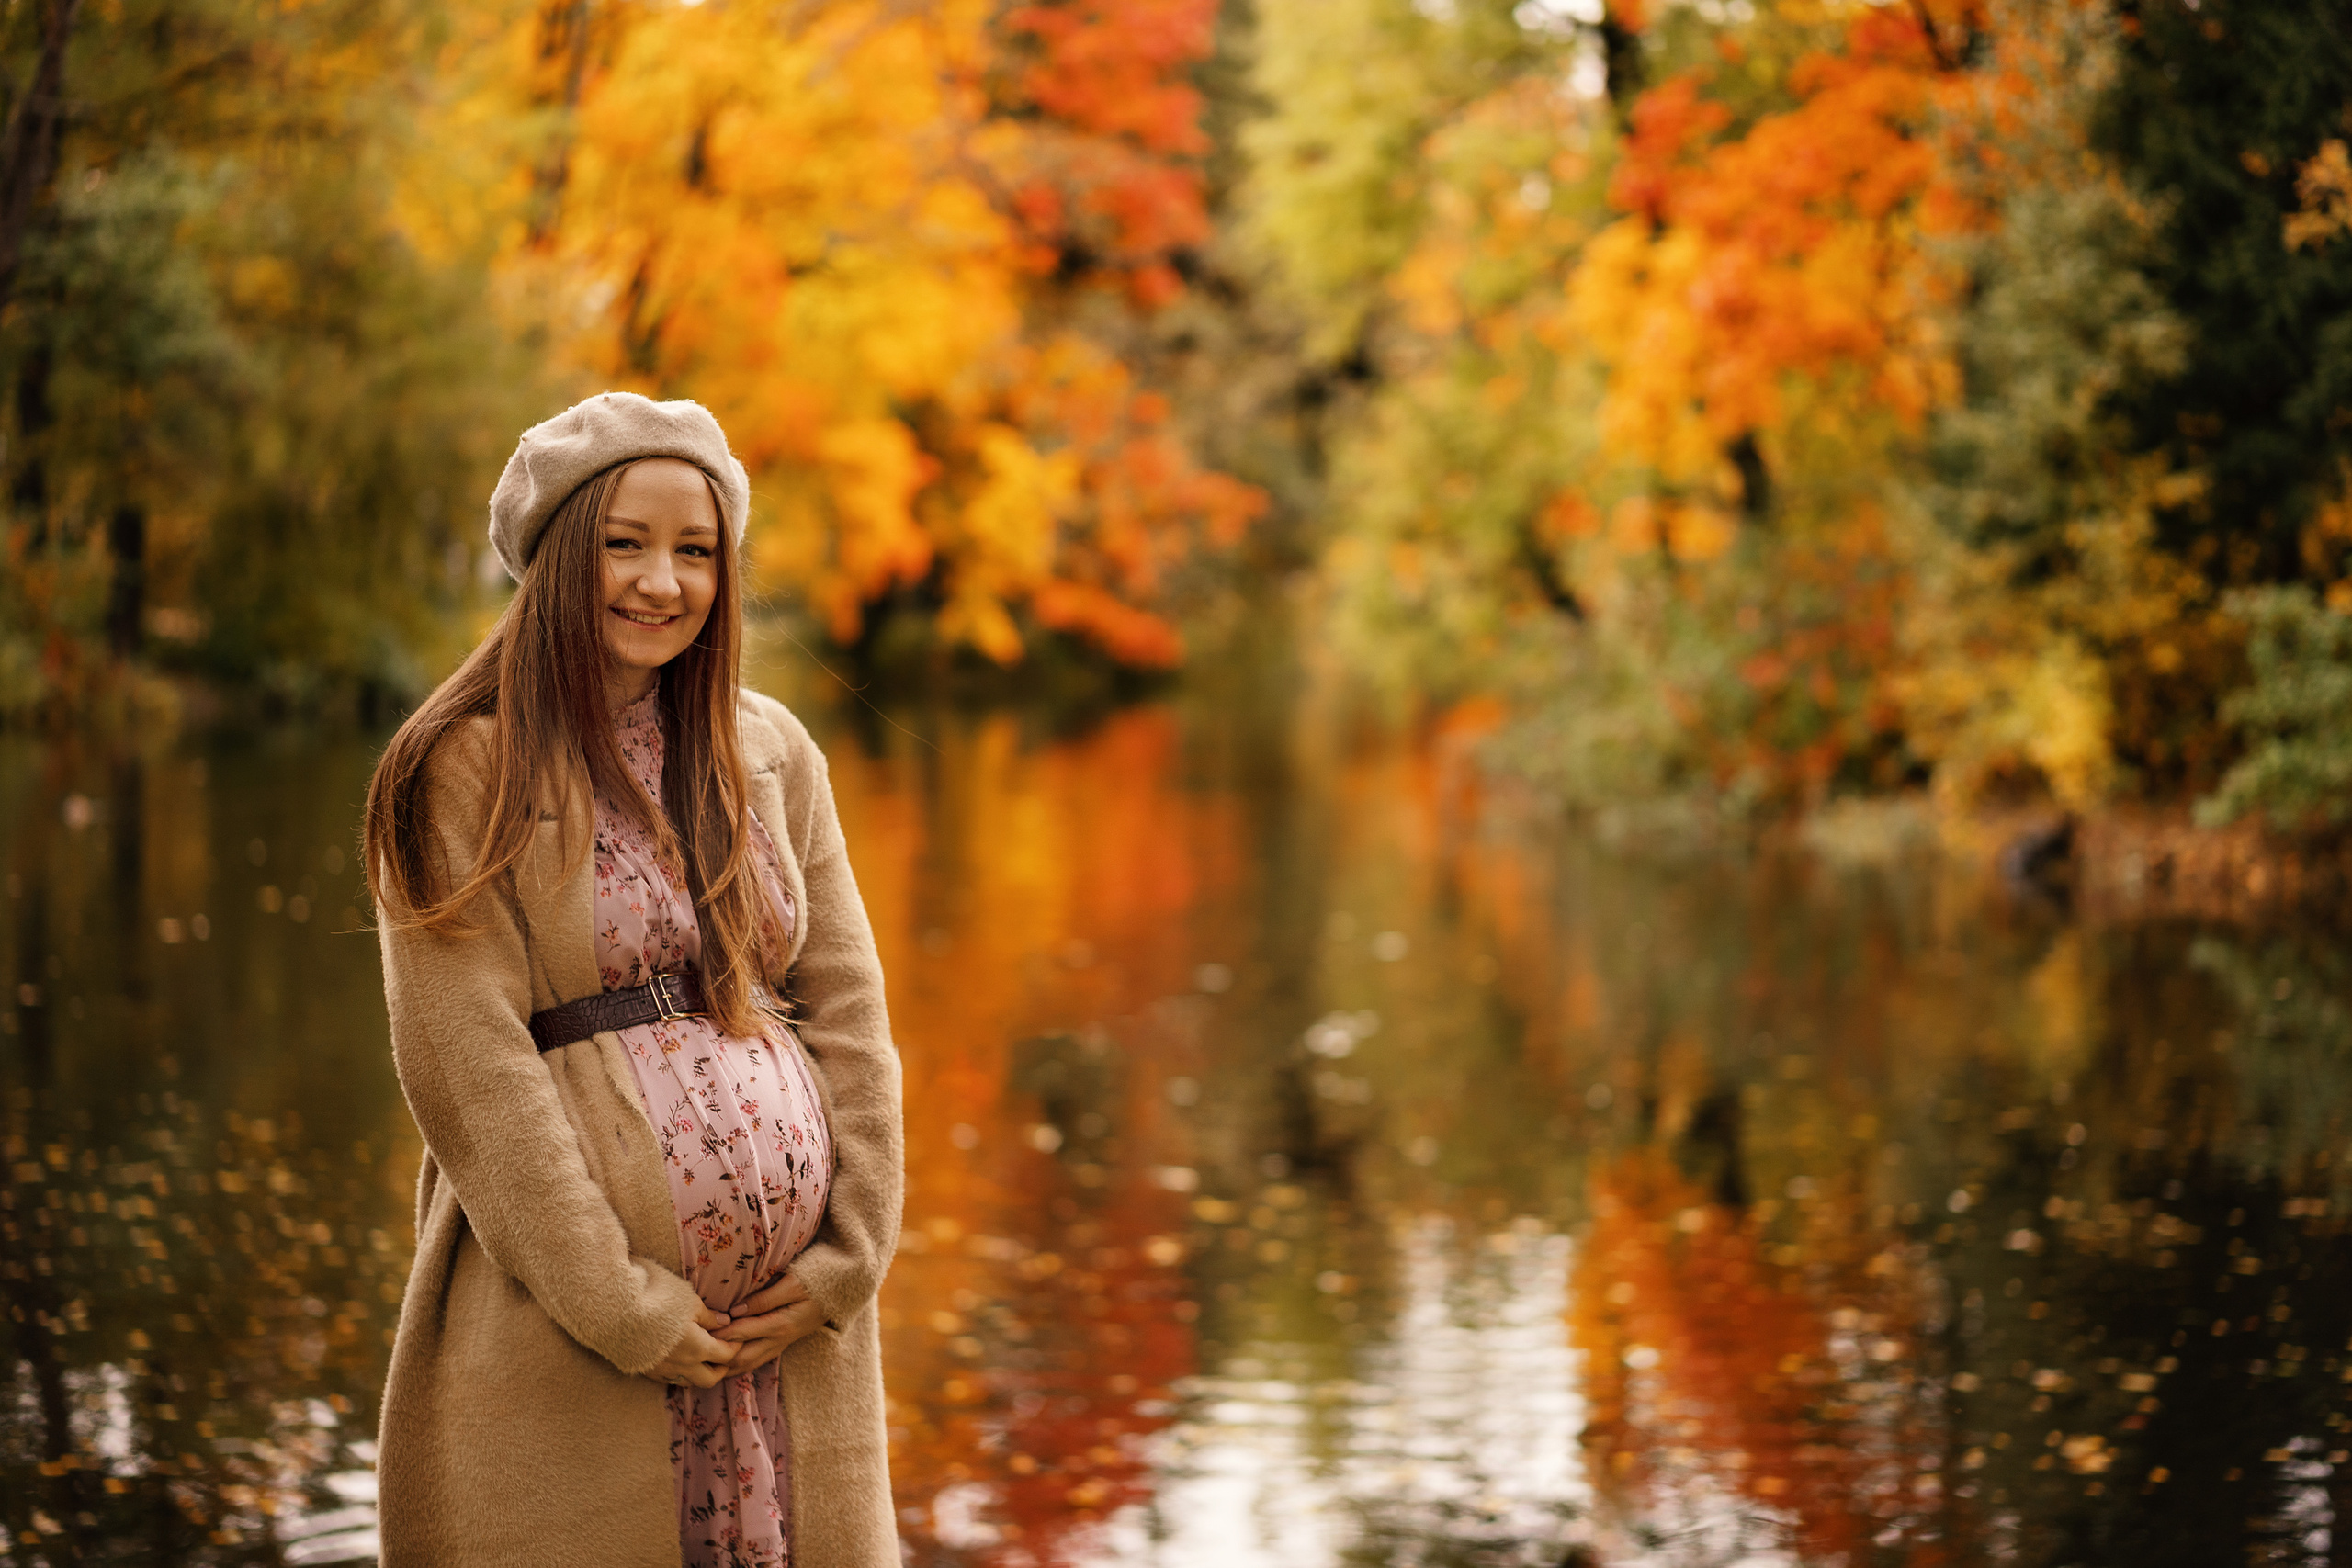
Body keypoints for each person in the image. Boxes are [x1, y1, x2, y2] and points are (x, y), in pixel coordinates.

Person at [361, 392, 903, 1568]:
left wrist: (850, 1256)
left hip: (791, 1338)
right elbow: (472, 1068)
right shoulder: (457, 769)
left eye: (696, 550)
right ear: (557, 559)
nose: (664, 581)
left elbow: (851, 1010)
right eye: (625, 544)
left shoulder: (769, 751)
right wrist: (619, 1304)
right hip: (573, 1324)